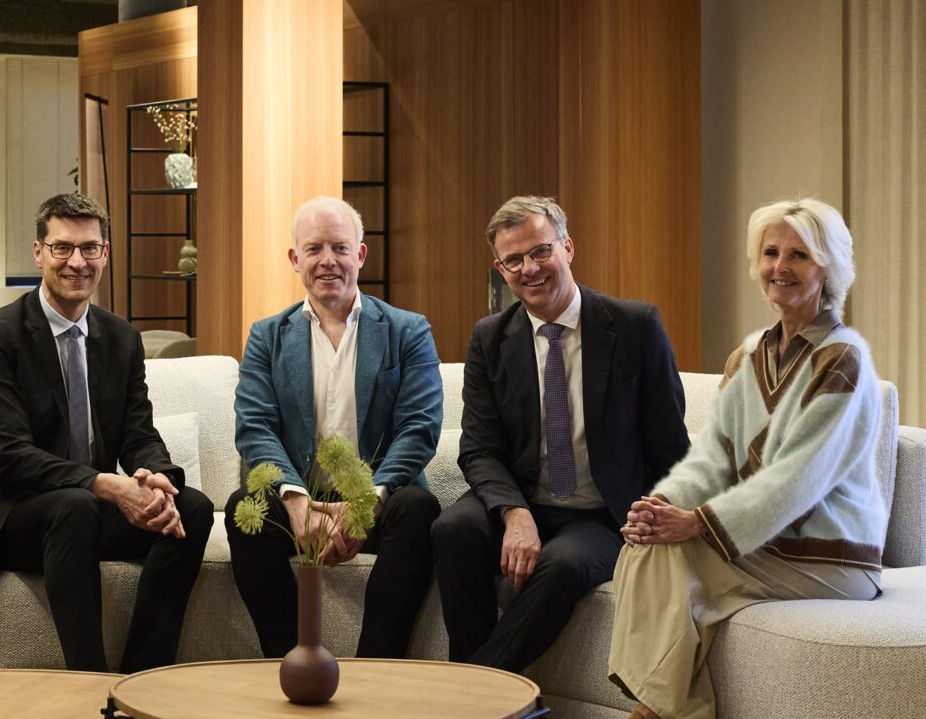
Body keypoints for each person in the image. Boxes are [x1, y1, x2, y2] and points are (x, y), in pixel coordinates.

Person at [607, 198, 886, 719]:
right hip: (763, 545)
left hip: (828, 556)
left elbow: (797, 477)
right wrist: (663, 504)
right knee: (645, 545)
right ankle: (665, 709)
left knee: (665, 557)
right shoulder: (748, 356)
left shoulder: (842, 358)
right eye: (771, 253)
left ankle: (656, 712)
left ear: (828, 270)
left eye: (799, 255)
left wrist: (695, 522)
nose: (780, 267)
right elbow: (714, 455)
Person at [431, 195, 690, 673]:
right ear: (500, 269)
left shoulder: (635, 327)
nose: (529, 269)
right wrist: (514, 514)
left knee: (564, 565)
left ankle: (473, 690)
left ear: (568, 247)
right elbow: (480, 449)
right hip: (523, 500)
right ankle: (486, 697)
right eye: (514, 260)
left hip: (601, 515)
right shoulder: (490, 337)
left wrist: (665, 514)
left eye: (540, 251)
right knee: (454, 529)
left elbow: (671, 445)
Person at [0, 192, 213, 674]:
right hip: (12, 513)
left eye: (89, 248)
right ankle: (90, 684)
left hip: (85, 512)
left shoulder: (121, 338)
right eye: (62, 248)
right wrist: (106, 485)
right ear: (39, 253)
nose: (77, 262)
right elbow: (11, 454)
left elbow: (139, 432)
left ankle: (142, 675)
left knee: (192, 507)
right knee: (75, 507)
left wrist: (156, 477)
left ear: (105, 253)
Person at [226, 196, 444, 659]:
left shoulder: (408, 331)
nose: (329, 261)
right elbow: (255, 426)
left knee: (420, 507)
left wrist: (364, 505)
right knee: (242, 507)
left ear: (360, 255)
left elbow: (420, 428)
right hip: (299, 504)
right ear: (295, 259)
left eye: (340, 248)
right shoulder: (267, 336)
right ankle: (287, 660)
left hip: (381, 502)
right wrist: (296, 500)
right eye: (314, 249)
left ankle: (375, 665)